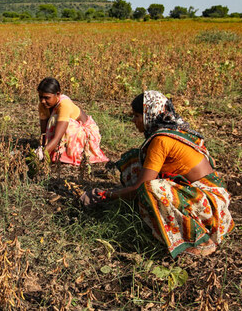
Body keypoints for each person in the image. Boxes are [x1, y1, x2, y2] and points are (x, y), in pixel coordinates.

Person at [81, 91, 234, 257]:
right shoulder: (172, 130)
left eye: (137, 115)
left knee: (151, 189)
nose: (133, 120)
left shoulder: (161, 140)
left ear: (149, 115)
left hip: (208, 204)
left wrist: (106, 195)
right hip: (206, 193)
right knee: (134, 162)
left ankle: (201, 241)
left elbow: (140, 186)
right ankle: (143, 212)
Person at [35, 77, 108, 165]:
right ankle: (55, 152)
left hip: (86, 135)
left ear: (57, 94)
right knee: (54, 122)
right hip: (63, 132)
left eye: (47, 98)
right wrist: (41, 148)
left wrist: (42, 153)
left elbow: (58, 137)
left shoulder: (64, 105)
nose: (43, 101)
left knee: (59, 122)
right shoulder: (42, 105)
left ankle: (70, 155)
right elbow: (44, 133)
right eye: (40, 97)